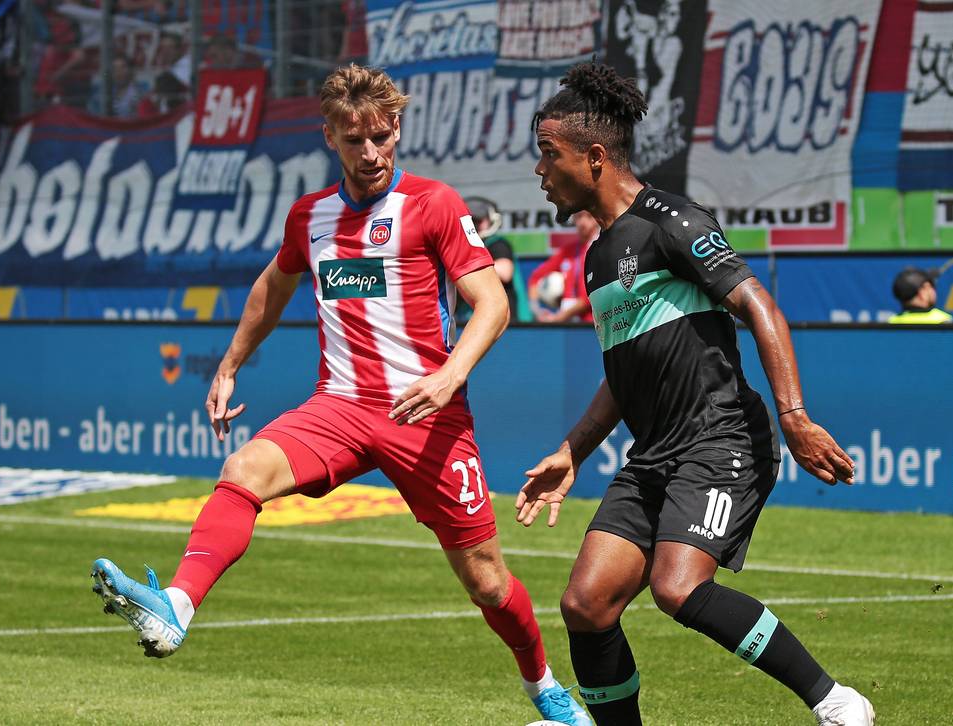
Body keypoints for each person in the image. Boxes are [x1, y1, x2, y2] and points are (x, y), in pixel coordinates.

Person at [91, 63, 591, 726]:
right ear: (330, 136)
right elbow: (274, 285)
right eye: (355, 140)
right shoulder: (311, 217)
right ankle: (175, 607)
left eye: (383, 136)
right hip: (340, 406)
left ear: (398, 128)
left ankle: (548, 693)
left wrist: (448, 375)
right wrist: (230, 364)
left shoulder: (434, 205)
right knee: (242, 470)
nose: (372, 152)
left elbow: (493, 303)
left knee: (488, 582)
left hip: (427, 416)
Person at [515, 62, 873, 726]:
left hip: (722, 437)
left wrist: (793, 417)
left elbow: (759, 305)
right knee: (586, 605)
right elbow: (625, 374)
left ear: (594, 157)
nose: (540, 170)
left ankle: (837, 703)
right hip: (655, 456)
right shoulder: (598, 257)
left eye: (549, 154)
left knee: (677, 589)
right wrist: (571, 451)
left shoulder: (671, 221)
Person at [463, 196, 529, 322]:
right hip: (476, 318)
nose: (474, 226)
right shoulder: (468, 247)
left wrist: (464, 261)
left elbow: (505, 272)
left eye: (478, 221)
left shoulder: (497, 244)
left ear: (490, 220)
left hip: (506, 320)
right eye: (471, 222)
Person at [528, 211, 597, 323]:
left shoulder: (599, 250)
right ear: (574, 219)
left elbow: (589, 296)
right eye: (579, 217)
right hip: (567, 324)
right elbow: (536, 277)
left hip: (591, 323)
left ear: (597, 219)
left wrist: (560, 317)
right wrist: (536, 310)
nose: (583, 222)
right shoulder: (568, 251)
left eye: (589, 216)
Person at [888, 267, 953, 324]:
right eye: (930, 287)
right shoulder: (944, 321)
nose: (933, 291)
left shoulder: (892, 322)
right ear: (921, 293)